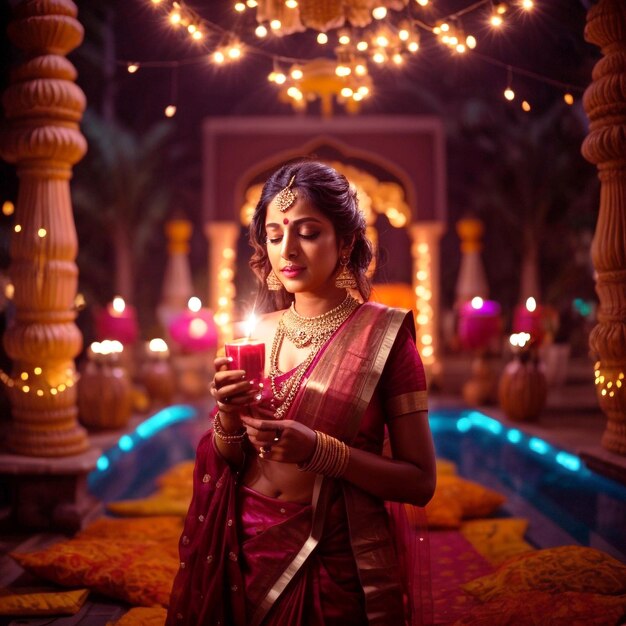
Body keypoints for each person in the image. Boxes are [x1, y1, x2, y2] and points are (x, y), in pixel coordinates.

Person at [166, 160, 436, 626]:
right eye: (274, 235)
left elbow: (420, 482)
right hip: (241, 554)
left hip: (334, 557)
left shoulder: (386, 338)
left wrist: (321, 452)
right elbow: (230, 463)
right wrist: (227, 421)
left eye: (307, 232)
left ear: (346, 241)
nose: (287, 249)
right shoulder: (253, 336)